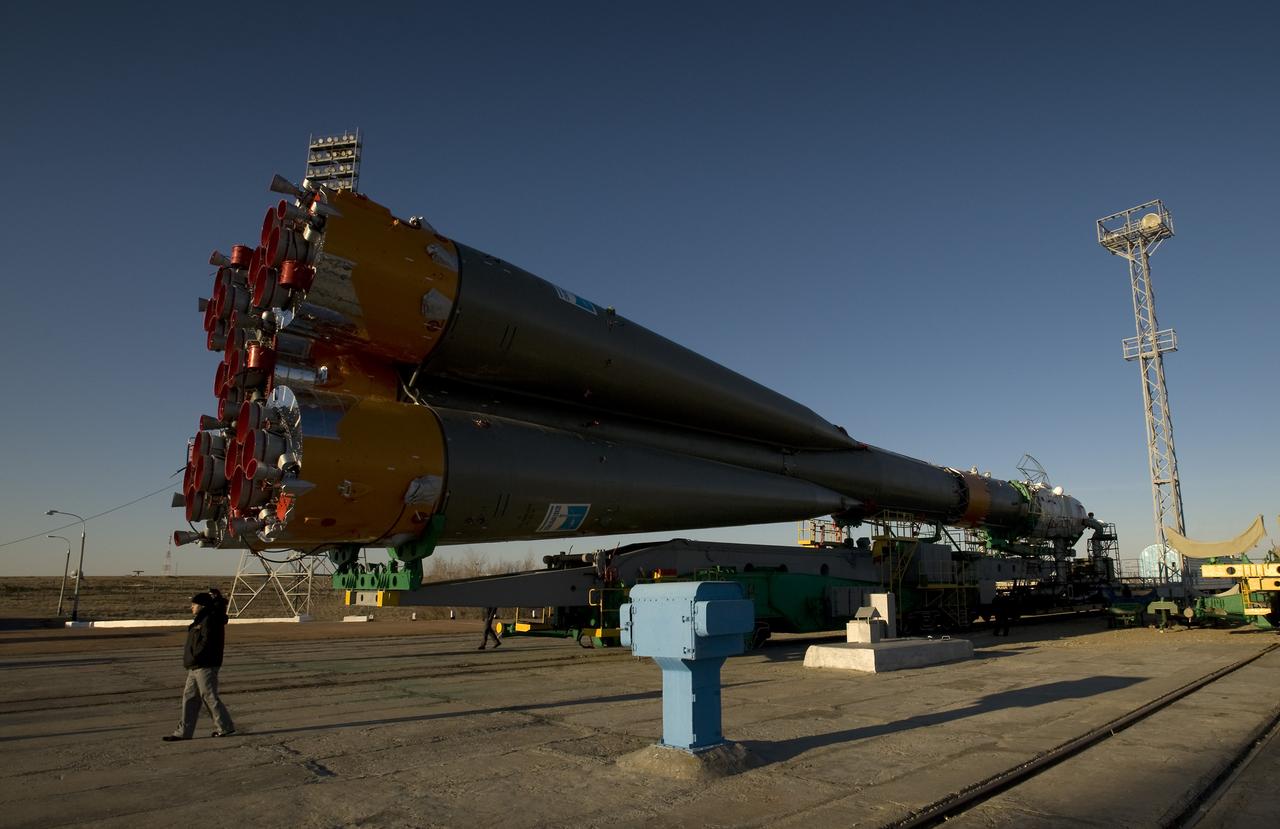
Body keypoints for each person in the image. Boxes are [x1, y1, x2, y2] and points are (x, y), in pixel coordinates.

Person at [162, 591, 236, 740]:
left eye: (194, 604)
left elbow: (206, 642)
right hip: (195, 665)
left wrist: (197, 656)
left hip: (205, 664)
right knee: (189, 697)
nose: (191, 607)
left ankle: (225, 727)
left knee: (208, 696)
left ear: (202, 606)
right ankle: (183, 733)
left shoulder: (210, 619)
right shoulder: (201, 620)